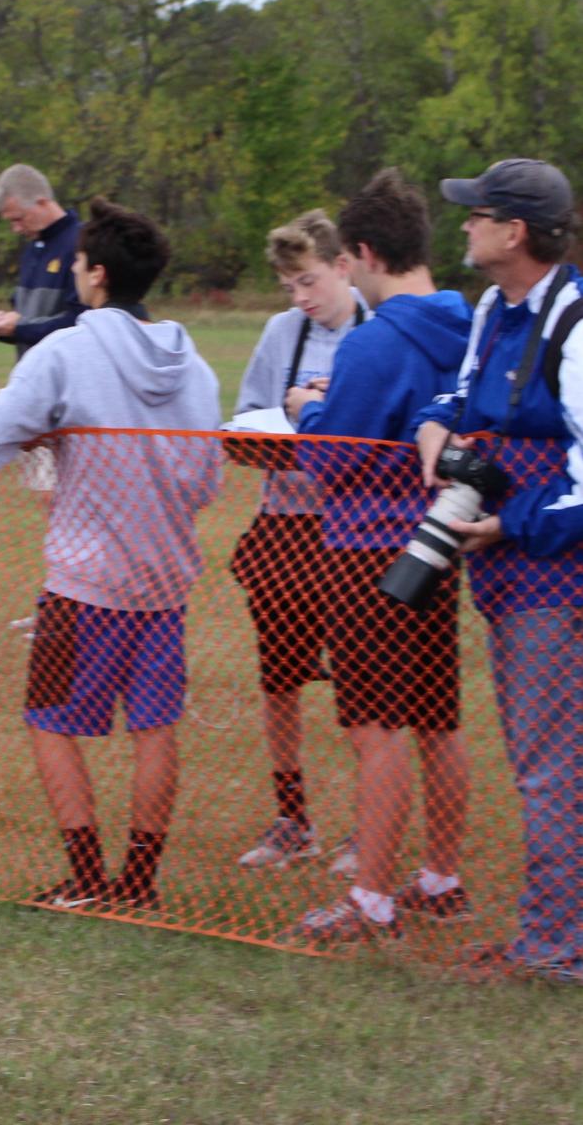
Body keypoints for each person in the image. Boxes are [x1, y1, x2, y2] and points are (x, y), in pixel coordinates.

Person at [0, 197, 220, 912]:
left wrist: (45, 435)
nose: (72, 269)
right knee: (153, 730)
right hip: (164, 580)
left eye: (77, 261)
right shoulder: (191, 364)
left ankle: (84, 877)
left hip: (81, 585)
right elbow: (206, 482)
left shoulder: (65, 350)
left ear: (96, 275)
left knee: (47, 721)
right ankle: (137, 883)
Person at [282, 169, 473, 944]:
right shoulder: (469, 324)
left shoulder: (374, 341)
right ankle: (440, 876)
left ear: (362, 253)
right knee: (434, 717)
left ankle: (369, 900)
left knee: (374, 724)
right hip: (440, 539)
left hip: (366, 550)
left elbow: (328, 459)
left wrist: (308, 410)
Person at [415, 158, 583, 983]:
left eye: (475, 214)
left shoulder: (576, 324)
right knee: (540, 752)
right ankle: (550, 932)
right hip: (507, 571)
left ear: (513, 232)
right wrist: (431, 430)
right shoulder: (493, 307)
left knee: (550, 759)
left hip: (554, 575)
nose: (463, 225)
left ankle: (557, 945)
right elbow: (463, 397)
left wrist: (506, 522)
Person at [229, 213, 365, 873]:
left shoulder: (378, 331)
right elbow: (243, 419)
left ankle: (369, 829)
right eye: (287, 286)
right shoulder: (281, 334)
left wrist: (324, 410)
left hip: (354, 535)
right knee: (279, 678)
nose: (299, 298)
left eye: (307, 281)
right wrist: (276, 424)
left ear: (343, 266)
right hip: (283, 528)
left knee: (362, 688)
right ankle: (292, 819)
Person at [0, 164, 83, 361]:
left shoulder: (82, 243)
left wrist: (19, 328)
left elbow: (81, 323)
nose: (15, 229)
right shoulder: (33, 249)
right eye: (10, 222)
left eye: (18, 219)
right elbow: (29, 319)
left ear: (42, 202)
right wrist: (7, 324)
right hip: (32, 378)